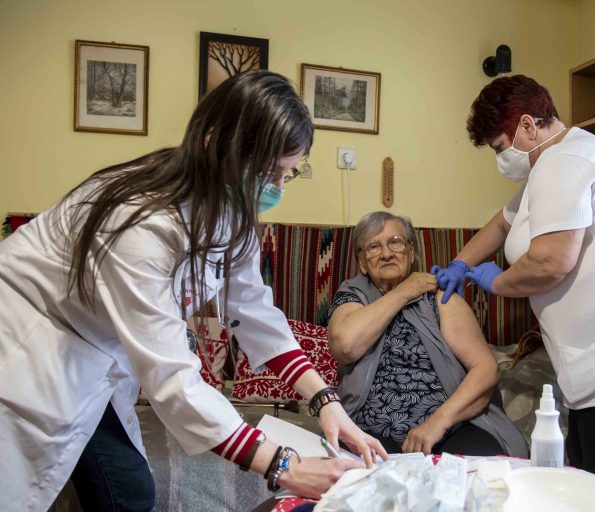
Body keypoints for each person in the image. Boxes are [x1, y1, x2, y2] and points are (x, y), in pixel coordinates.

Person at [0, 70, 386, 510]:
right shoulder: (139, 222)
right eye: (267, 171)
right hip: (32, 344)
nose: (277, 188)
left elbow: (254, 313)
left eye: (287, 173)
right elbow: (173, 379)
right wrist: (286, 467)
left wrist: (325, 402)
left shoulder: (231, 208)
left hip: (98, 352)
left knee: (127, 492)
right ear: (213, 142)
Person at [431, 75, 595, 487]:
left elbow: (551, 261)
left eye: (500, 148)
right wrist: (458, 264)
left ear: (526, 125)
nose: (501, 160)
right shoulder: (553, 164)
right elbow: (503, 224)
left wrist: (496, 282)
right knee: (587, 471)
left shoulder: (565, 161)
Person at [328, 211, 528, 457]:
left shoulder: (439, 298)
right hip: (371, 431)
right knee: (367, 478)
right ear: (361, 263)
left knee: (474, 472)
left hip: (454, 427)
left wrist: (438, 422)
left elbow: (486, 369)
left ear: (411, 252)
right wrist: (405, 290)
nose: (387, 253)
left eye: (395, 242)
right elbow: (346, 346)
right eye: (373, 246)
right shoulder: (352, 296)